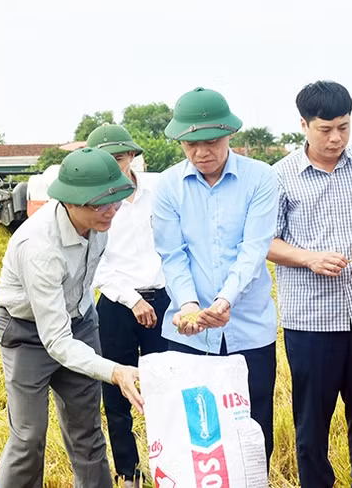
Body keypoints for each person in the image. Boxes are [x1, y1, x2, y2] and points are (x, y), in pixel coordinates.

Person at [0, 147, 142, 488]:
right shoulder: (40, 247)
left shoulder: (101, 222)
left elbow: (84, 284)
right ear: (70, 202)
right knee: (28, 437)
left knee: (87, 430)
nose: (111, 211)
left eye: (116, 200)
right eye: (100, 204)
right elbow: (55, 340)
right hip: (26, 332)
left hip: (79, 320)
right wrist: (115, 371)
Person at [267, 80, 352, 488]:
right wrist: (310, 259)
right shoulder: (280, 176)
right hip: (311, 322)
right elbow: (266, 241)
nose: (336, 138)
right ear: (303, 125)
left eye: (344, 126)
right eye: (325, 129)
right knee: (312, 425)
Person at [152, 87, 278, 465]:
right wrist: (190, 306)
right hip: (188, 334)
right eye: (191, 144)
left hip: (249, 328)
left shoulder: (261, 178)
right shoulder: (168, 187)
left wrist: (224, 302)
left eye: (211, 142)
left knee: (254, 432)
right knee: (196, 438)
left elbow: (254, 249)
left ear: (229, 135)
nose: (202, 153)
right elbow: (173, 256)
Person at [88, 124, 168, 487]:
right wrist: (131, 298)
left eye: (120, 157)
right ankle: (128, 473)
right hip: (118, 305)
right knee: (118, 391)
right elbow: (95, 263)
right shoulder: (90, 200)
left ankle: (168, 467)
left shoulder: (160, 190)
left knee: (165, 386)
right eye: (107, 159)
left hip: (163, 300)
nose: (116, 165)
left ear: (132, 156)